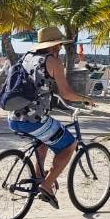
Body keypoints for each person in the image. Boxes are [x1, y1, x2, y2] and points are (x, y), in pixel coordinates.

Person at [8, 26, 96, 209]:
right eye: (58, 45)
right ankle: (46, 186)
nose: (60, 48)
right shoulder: (53, 62)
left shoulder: (26, 57)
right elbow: (66, 93)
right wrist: (85, 99)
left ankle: (38, 177)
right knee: (70, 145)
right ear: (53, 46)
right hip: (35, 121)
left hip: (14, 118)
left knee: (43, 145)